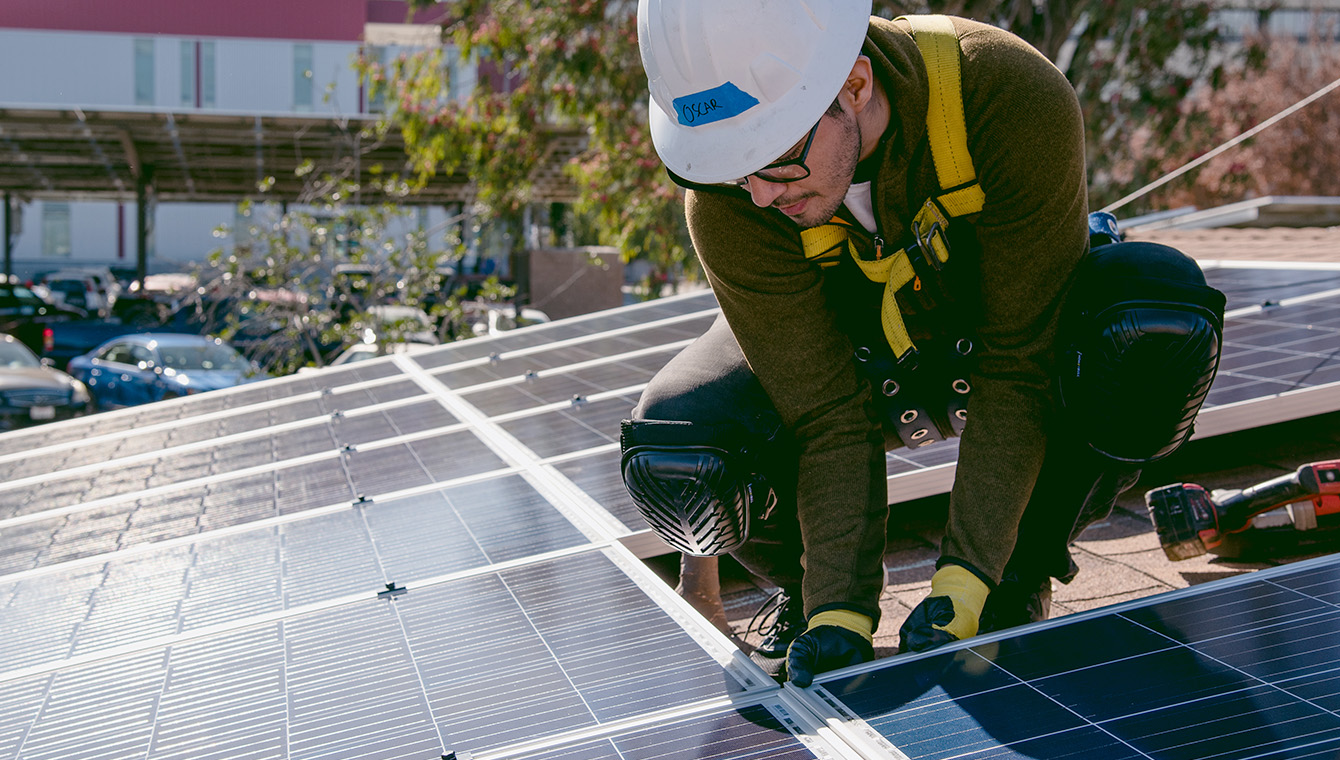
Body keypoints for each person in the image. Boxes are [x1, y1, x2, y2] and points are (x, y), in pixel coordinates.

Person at [621, 0, 1224, 686]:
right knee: (679, 446)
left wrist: (968, 577)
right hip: (855, 361)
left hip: (1002, 341)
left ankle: (1015, 576)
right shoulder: (731, 195)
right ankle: (806, 588)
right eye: (736, 170)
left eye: (777, 162)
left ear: (854, 83)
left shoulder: (1007, 94)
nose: (759, 195)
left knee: (1152, 319)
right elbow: (824, 411)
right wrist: (837, 610)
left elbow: (1017, 364)